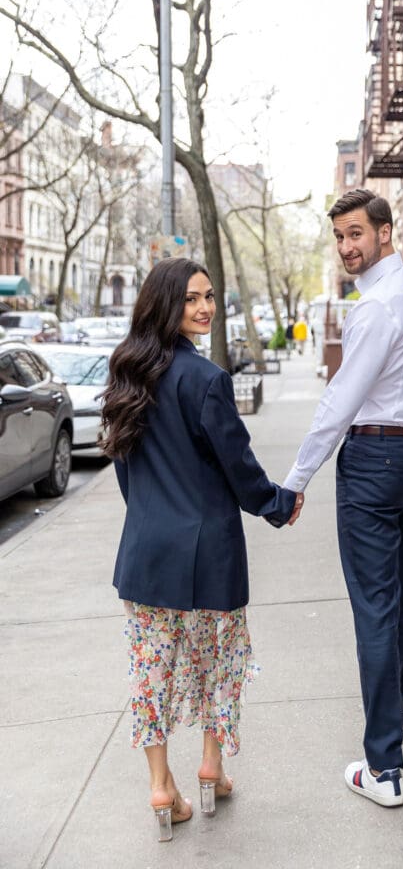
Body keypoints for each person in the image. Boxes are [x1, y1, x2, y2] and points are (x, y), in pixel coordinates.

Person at [101, 258, 304, 841]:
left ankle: (161, 786)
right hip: (211, 549)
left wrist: (150, 518)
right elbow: (238, 467)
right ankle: (212, 766)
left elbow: (125, 473)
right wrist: (277, 503)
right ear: (166, 303)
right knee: (220, 664)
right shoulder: (207, 380)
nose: (205, 308)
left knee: (150, 673)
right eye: (193, 298)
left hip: (145, 552)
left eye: (210, 297)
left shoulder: (126, 375)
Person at [283, 189, 403, 807]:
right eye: (339, 237)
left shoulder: (375, 309)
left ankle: (383, 769)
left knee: (376, 606)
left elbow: (340, 402)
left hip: (375, 458)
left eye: (356, 234)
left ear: (386, 233)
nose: (347, 247)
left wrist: (296, 480)